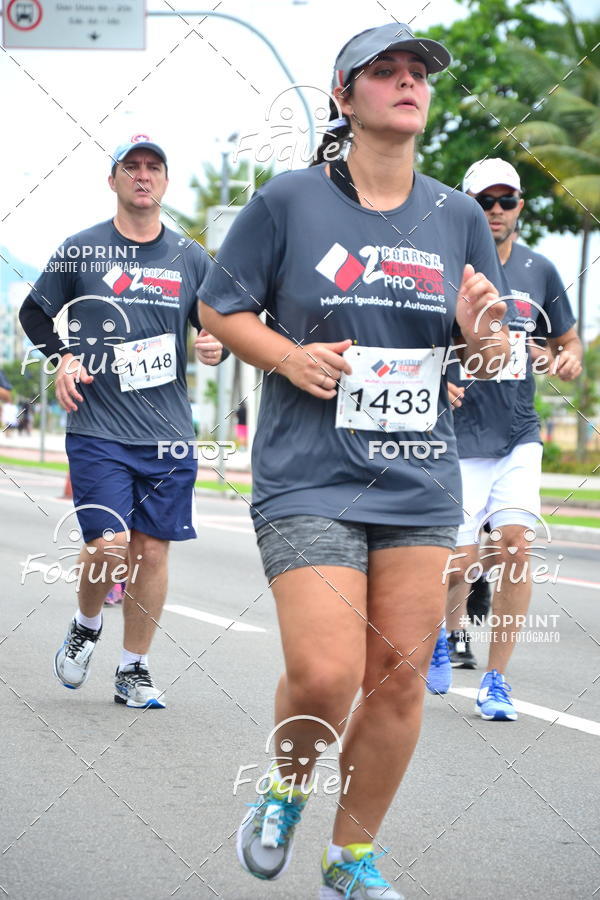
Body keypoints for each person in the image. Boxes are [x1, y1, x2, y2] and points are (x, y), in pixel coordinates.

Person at [199, 24, 512, 897]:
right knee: (330, 670)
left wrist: (484, 340)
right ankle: (286, 789)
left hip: (418, 476)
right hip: (309, 475)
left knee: (402, 674)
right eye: (386, 72)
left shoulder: (454, 216)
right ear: (345, 96)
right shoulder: (290, 202)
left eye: (418, 73)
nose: (408, 82)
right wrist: (290, 358)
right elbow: (222, 310)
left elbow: (482, 358)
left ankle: (352, 859)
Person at [19, 135, 226, 709]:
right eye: (130, 167)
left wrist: (215, 344)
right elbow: (34, 310)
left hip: (167, 433)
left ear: (165, 181)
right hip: (98, 428)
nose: (142, 175)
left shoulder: (189, 257)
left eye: (152, 167)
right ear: (112, 181)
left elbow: (220, 324)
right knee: (109, 546)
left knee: (152, 553)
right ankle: (87, 625)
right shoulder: (82, 250)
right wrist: (60, 355)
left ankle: (133, 669)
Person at [427, 158, 582, 718]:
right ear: (467, 206)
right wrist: (440, 379)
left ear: (519, 207)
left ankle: (496, 680)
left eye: (506, 201)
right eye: (485, 202)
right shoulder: (443, 268)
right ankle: (442, 637)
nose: (496, 211)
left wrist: (562, 360)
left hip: (519, 431)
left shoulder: (540, 269)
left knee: (517, 547)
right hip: (460, 436)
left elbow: (568, 341)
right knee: (459, 562)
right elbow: (419, 343)